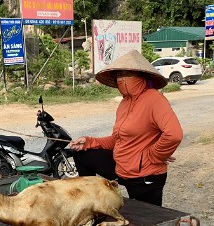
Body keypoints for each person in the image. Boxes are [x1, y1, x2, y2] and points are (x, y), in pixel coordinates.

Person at [68, 50, 182, 206]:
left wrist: (153, 156)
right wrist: (88, 142)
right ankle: (92, 202)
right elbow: (117, 139)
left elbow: (174, 134)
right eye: (118, 74)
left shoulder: (155, 99)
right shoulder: (124, 103)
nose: (121, 79)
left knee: (147, 220)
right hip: (122, 168)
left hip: (145, 174)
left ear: (141, 76)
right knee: (82, 154)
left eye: (126, 73)